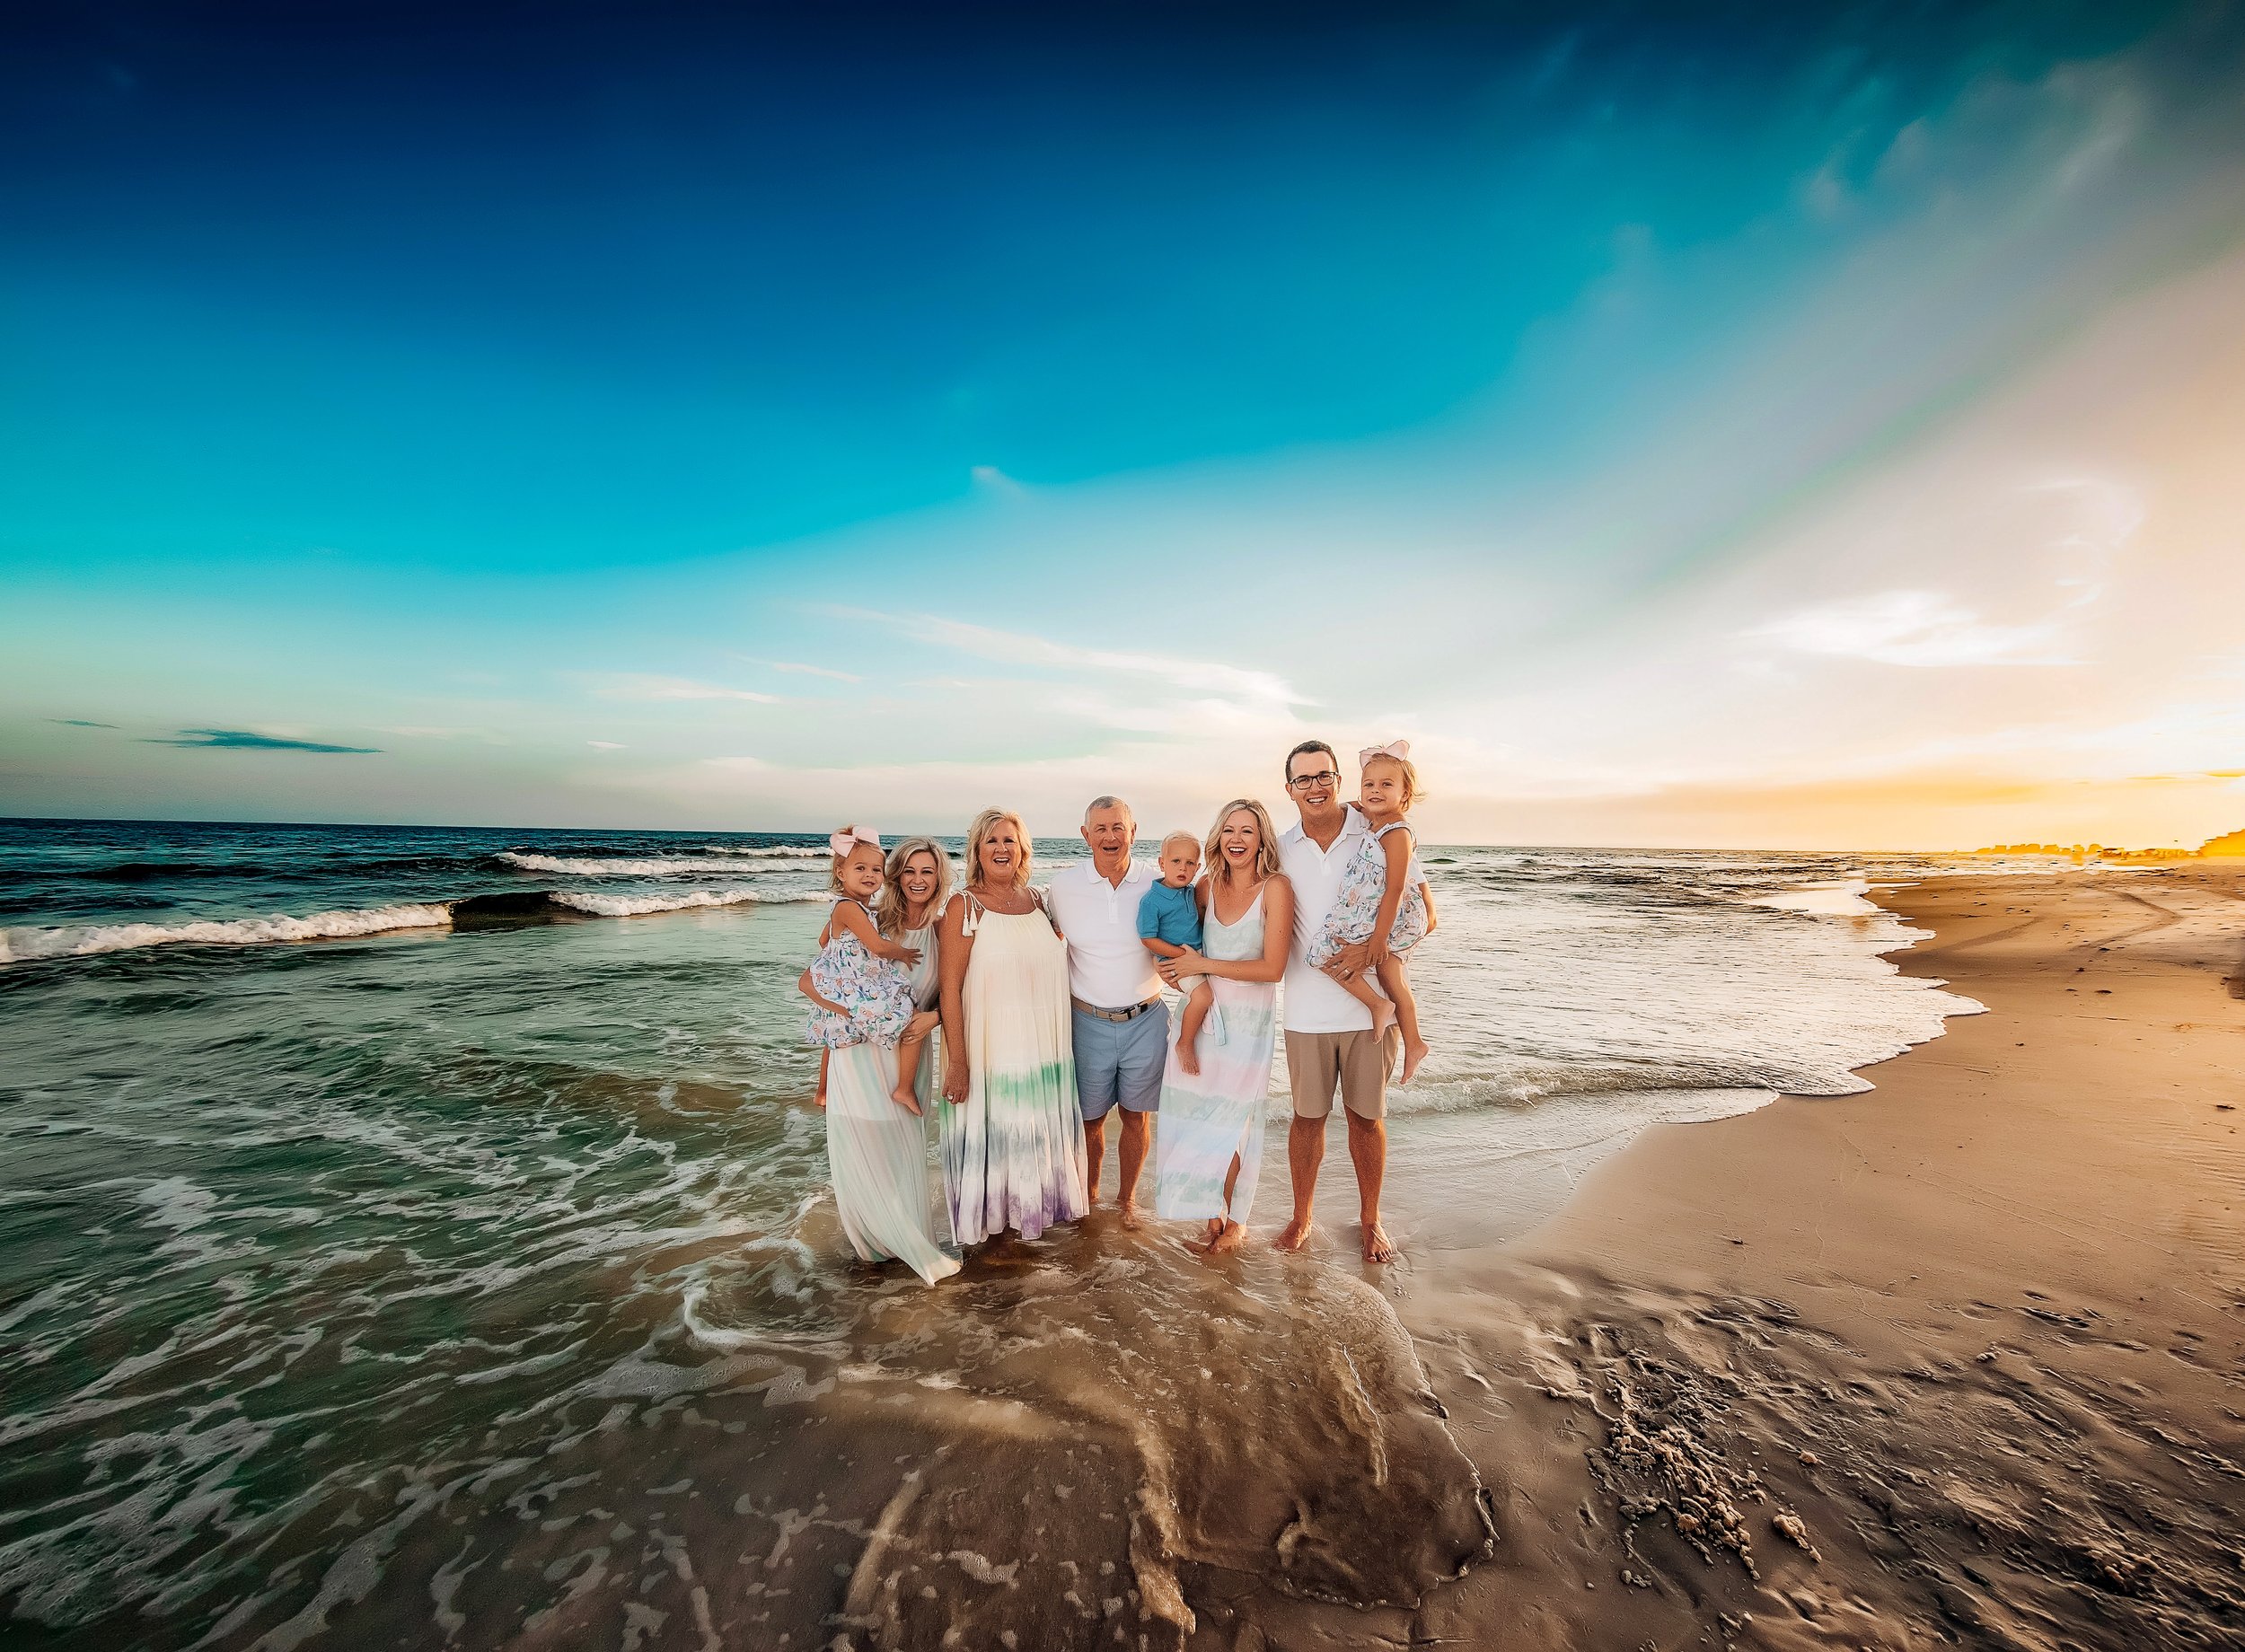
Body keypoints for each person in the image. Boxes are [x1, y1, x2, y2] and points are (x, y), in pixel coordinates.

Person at [801, 828, 957, 1285]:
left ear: (939, 876)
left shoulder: (947, 926)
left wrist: (938, 1020)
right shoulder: (873, 923)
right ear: (895, 875)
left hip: (908, 1052)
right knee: (863, 1145)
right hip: (858, 1054)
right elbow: (827, 984)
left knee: (901, 1148)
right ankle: (870, 1247)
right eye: (908, 869)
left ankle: (903, 1238)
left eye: (927, 871)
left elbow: (963, 992)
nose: (917, 878)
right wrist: (824, 1077)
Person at [1273, 740, 1402, 1263]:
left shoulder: (1372, 830)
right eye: (1303, 779)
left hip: (1369, 1007)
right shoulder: (1278, 849)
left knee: (1365, 1120)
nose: (1315, 787)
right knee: (1306, 1120)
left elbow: (1416, 902)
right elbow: (1227, 889)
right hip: (1304, 1010)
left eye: (1323, 775)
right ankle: (1302, 1217)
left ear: (1338, 780)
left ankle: (1371, 1220)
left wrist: (1374, 948)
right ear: (1289, 789)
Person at [936, 808, 1087, 1245]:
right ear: (977, 852)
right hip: (990, 1051)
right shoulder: (963, 906)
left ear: (1023, 848)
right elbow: (950, 989)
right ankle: (993, 1241)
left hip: (1043, 1051)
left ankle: (1027, 1227)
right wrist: (959, 1063)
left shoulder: (1039, 902)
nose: (1002, 849)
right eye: (991, 841)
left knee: (1032, 1134)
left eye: (1009, 840)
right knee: (997, 1135)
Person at [1151, 800, 1293, 1254]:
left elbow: (1273, 968)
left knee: (1234, 1122)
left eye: (1247, 831)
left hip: (1248, 1028)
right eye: (1228, 829)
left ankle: (1237, 1220)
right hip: (1202, 1019)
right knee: (1197, 1118)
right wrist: (1172, 973)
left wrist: (1203, 964)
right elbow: (1181, 944)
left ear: (1261, 840)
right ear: (1218, 836)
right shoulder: (1206, 887)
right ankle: (1212, 1212)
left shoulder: (1276, 888)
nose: (1236, 839)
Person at [1043, 796, 1166, 1228]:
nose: (1110, 837)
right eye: (1101, 829)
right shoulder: (1062, 887)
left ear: (1134, 831)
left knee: (1137, 1117)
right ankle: (1090, 1197)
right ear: (1085, 835)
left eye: (1118, 827)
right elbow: (1043, 940)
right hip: (1086, 1021)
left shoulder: (1159, 883)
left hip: (1147, 1018)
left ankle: (1127, 1201)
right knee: (1089, 1120)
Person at [1305, 742, 1438, 1082]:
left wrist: (1378, 941)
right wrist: (1347, 804)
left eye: (1386, 785)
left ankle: (1411, 1037)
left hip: (1397, 916)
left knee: (1375, 968)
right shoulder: (1374, 819)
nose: (1376, 791)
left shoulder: (1398, 833)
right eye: (1369, 784)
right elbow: (1349, 806)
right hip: (1376, 911)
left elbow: (1395, 888)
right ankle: (1394, 1020)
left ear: (1405, 794)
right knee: (1344, 960)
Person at [799, 826, 939, 1112]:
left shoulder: (859, 911)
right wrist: (902, 952)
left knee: (833, 1036)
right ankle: (904, 1088)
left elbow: (824, 940)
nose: (869, 875)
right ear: (841, 873)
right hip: (858, 991)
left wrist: (839, 957)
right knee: (907, 1011)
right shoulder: (854, 910)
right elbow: (877, 947)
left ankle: (822, 1091)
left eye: (876, 869)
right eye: (860, 868)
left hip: (852, 983)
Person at [1137, 831, 1216, 1076]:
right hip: (1175, 962)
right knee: (1204, 996)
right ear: (1162, 863)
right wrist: (1181, 956)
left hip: (1196, 956)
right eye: (1175, 862)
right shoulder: (1152, 900)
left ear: (1197, 868)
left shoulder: (1191, 892)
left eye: (1190, 863)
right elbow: (1147, 938)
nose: (1183, 868)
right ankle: (1185, 1043)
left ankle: (1210, 1040)